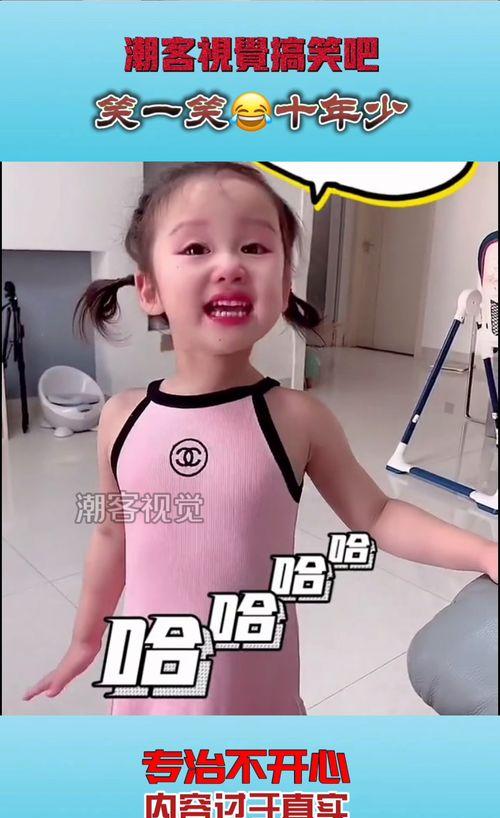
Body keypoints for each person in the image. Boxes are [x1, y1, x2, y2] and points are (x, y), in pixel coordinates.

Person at [23, 162, 498, 714]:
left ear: (284, 287)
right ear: (149, 289)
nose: (229, 265)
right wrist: (85, 640)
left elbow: (377, 515)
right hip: (151, 691)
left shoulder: (297, 419)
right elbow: (113, 535)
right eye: (196, 248)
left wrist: (484, 551)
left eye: (253, 247)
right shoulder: (122, 417)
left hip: (255, 695)